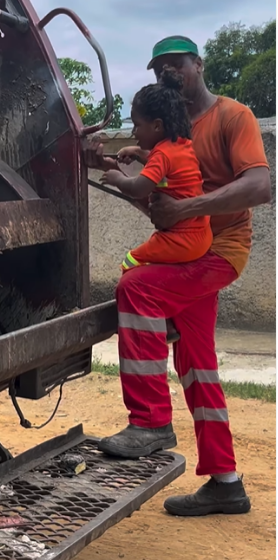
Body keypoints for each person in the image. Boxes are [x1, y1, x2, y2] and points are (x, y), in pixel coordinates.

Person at [85, 36, 271, 516]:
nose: (167, 72)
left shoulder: (233, 117)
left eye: (175, 64)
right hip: (187, 255)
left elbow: (259, 186)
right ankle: (226, 483)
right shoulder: (168, 138)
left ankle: (149, 422)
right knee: (196, 363)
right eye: (158, 68)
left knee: (136, 286)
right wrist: (105, 162)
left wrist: (186, 207)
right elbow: (151, 191)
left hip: (219, 251)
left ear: (198, 64)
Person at [101, 68, 211, 272]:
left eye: (136, 125)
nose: (133, 132)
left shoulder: (162, 155)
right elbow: (163, 165)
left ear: (157, 126)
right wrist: (136, 151)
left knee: (130, 262)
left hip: (181, 239)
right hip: (201, 233)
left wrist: (117, 178)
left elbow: (139, 188)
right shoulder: (181, 145)